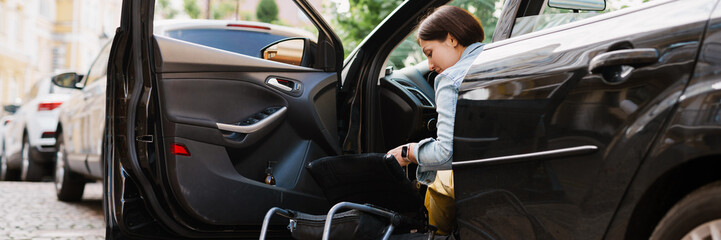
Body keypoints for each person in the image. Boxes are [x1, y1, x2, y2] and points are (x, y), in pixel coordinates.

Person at [386, 5, 485, 235]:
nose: (430, 66)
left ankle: (432, 234)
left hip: (481, 177)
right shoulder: (497, 56)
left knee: (440, 183)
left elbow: (445, 154)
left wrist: (407, 152)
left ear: (451, 39)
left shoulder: (450, 80)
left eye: (429, 52)